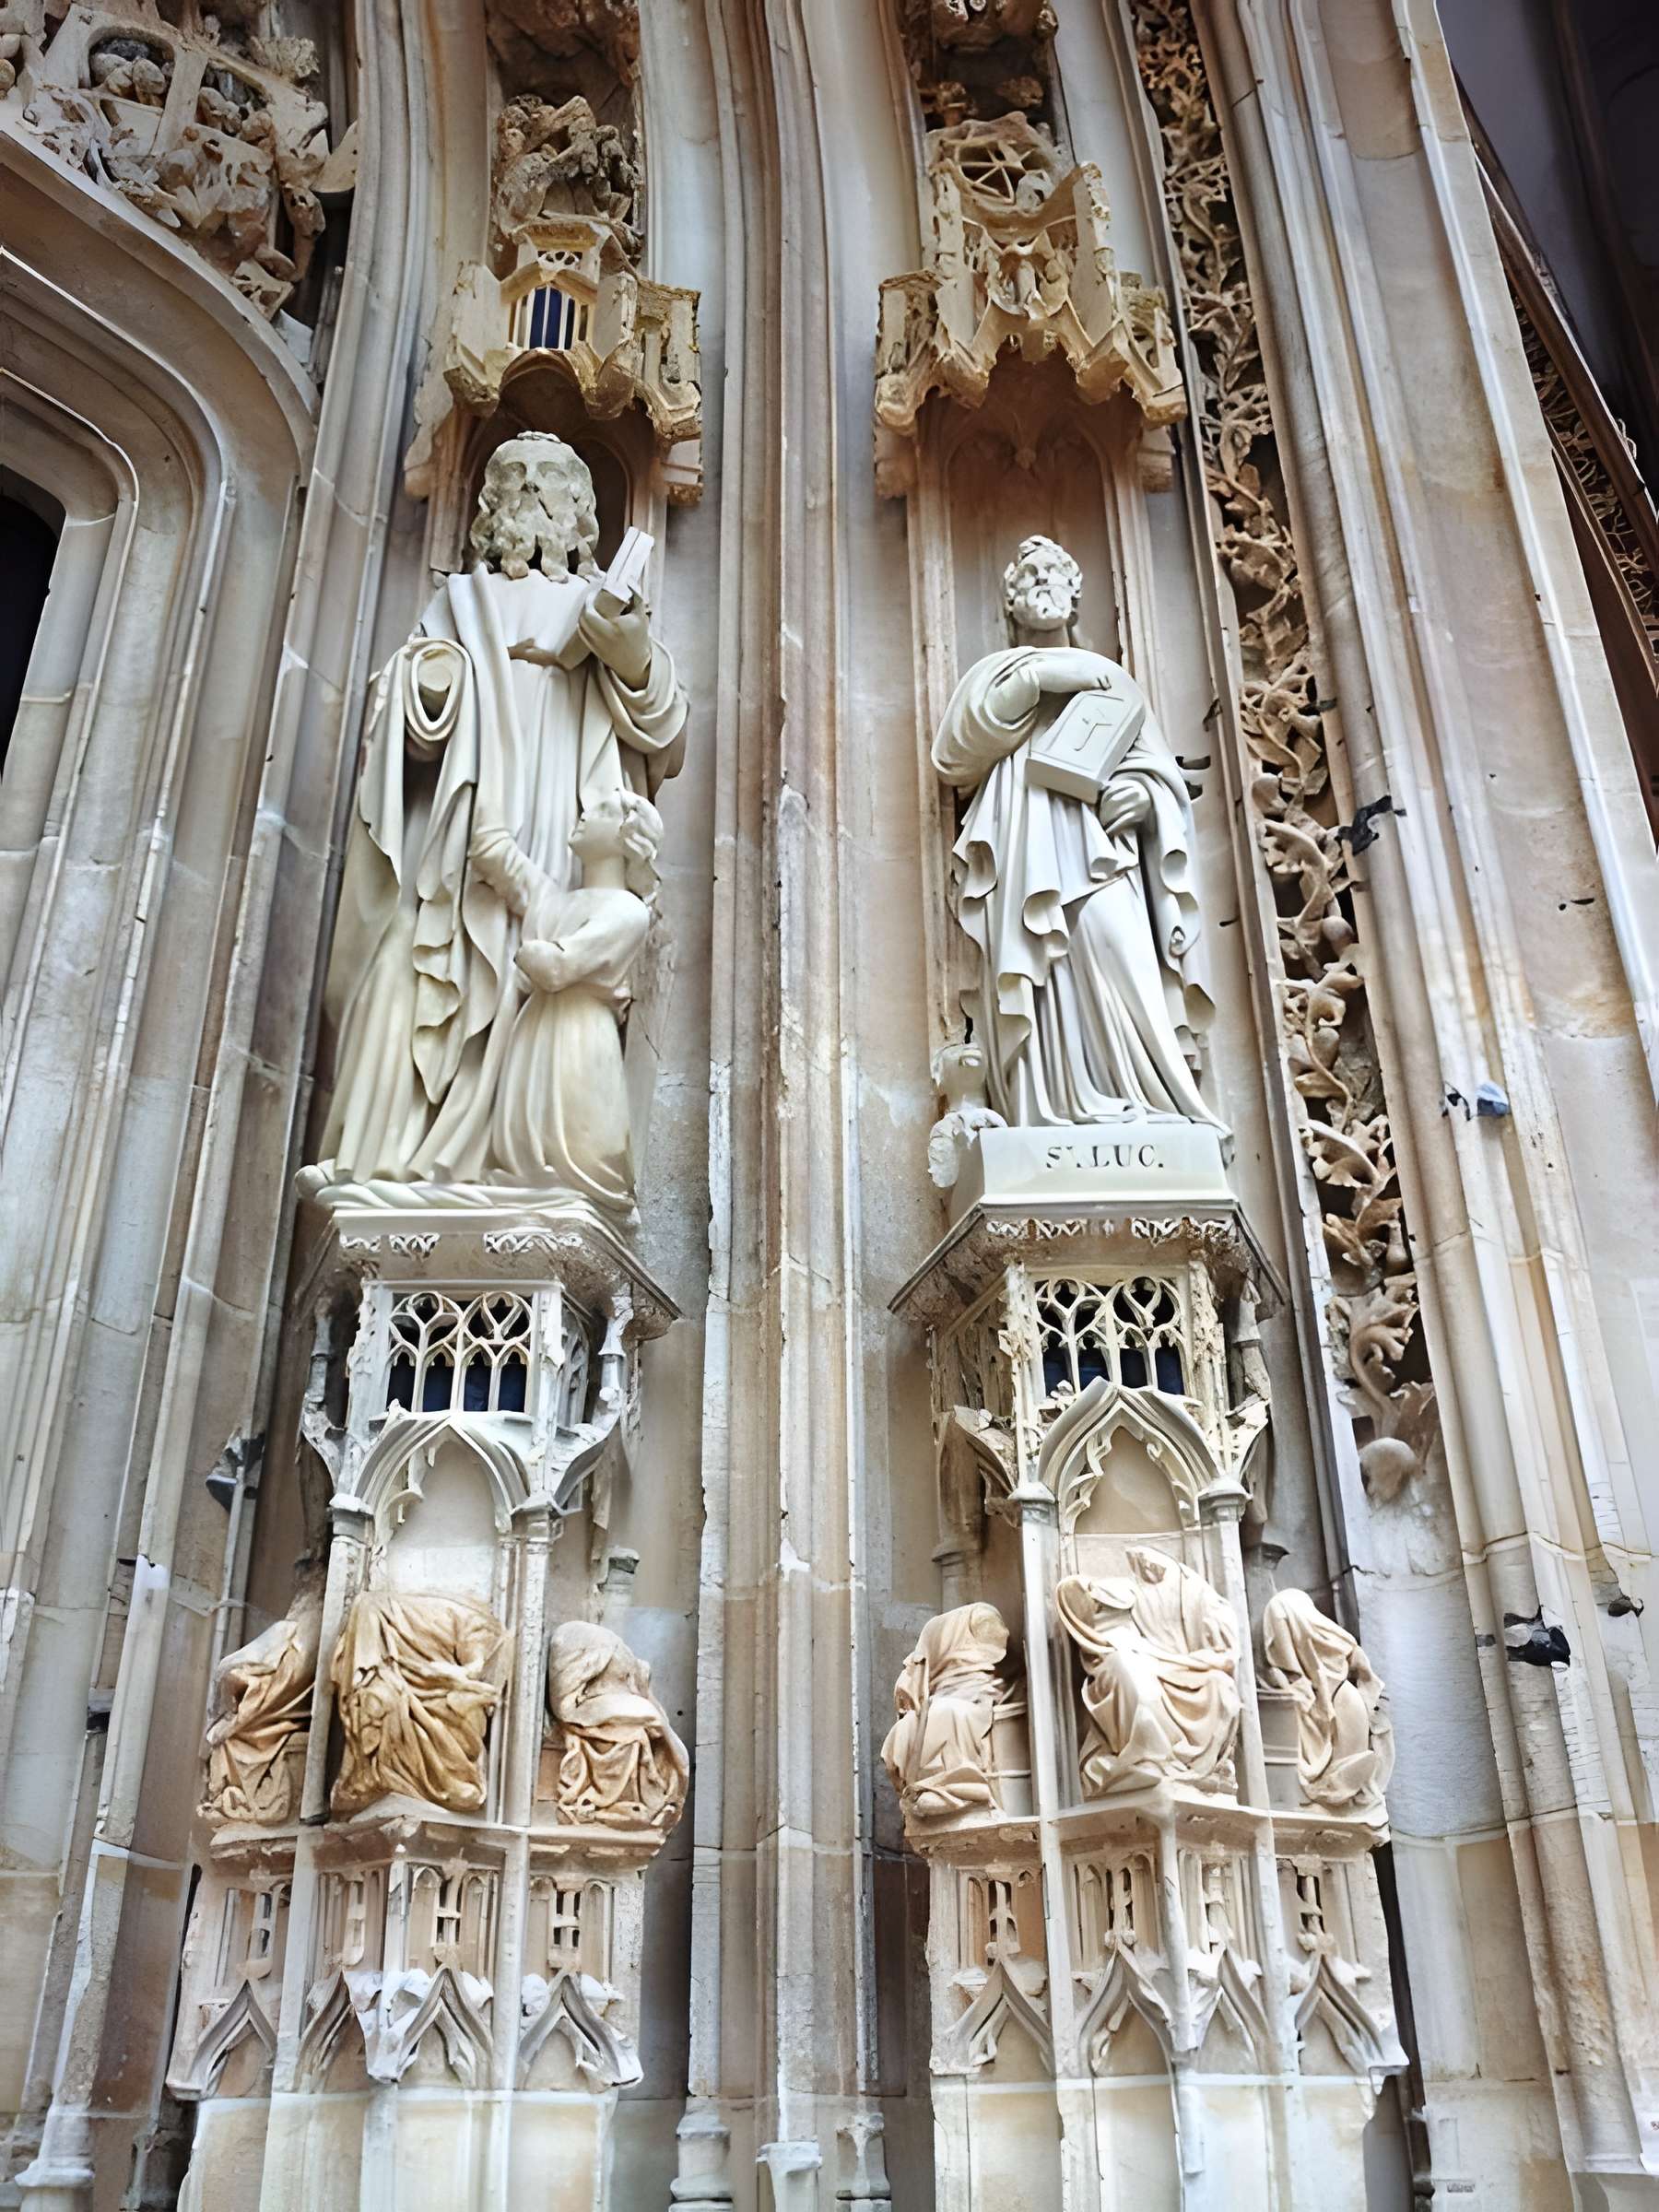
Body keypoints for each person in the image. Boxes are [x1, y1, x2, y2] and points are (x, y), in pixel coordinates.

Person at [315, 433, 686, 1186]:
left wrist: (632, 656)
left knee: (536, 976)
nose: (530, 489)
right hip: (463, 816)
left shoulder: (601, 610)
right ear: (486, 502)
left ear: (582, 509)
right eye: (511, 475)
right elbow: (401, 710)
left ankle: (513, 1160)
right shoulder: (457, 600)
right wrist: (431, 683)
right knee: (414, 965)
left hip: (562, 821)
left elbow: (666, 728)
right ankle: (386, 1157)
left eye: (552, 478)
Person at [932, 534, 1225, 1131]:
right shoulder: (995, 676)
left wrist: (1143, 796)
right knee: (1038, 966)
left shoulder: (1109, 678)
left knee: (1121, 951)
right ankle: (1048, 1110)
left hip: (1100, 846)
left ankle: (1151, 1101)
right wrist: (1039, 681)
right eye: (1029, 577)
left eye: (1055, 575)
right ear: (1011, 603)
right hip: (1025, 841)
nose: (1043, 583)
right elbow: (954, 757)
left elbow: (1158, 771)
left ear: (1075, 596)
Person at [467, 789, 662, 1215]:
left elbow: (556, 968)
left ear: (626, 836)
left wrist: (532, 954)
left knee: (576, 1172)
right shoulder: (554, 900)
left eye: (604, 809)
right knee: (525, 1169)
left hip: (580, 1041)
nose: (585, 813)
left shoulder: (627, 911)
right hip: (536, 1037)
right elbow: (491, 851)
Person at [881, 1602, 1009, 1819]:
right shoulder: (938, 1639)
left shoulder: (982, 1626)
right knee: (909, 1726)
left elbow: (992, 1678)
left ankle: (954, 1788)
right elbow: (910, 1684)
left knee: (948, 1712)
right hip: (947, 1693)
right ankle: (931, 1787)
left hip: (978, 1699)